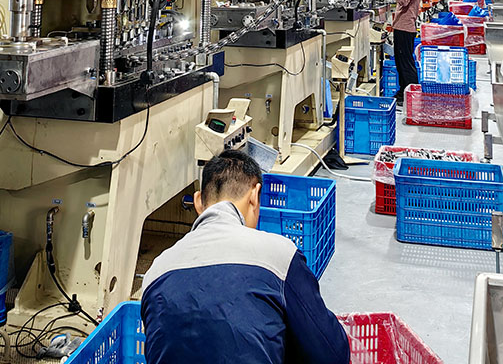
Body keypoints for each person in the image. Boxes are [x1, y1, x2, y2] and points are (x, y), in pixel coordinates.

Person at [141, 149, 350, 364]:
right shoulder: (279, 256)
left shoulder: (155, 272)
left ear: (198, 202)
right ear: (254, 196)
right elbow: (332, 354)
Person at [387, 0, 422, 105]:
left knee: (405, 62)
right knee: (402, 61)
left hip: (404, 27)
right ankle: (403, 92)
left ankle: (411, 93)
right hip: (405, 26)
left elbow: (404, 1)